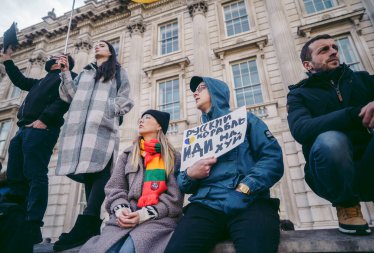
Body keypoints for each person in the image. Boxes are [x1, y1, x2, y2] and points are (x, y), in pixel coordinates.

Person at [165, 76, 284, 253]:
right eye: (194, 90)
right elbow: (182, 183)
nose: (195, 93)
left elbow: (272, 158)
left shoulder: (247, 120)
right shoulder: (194, 137)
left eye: (201, 88)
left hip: (250, 202)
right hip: (205, 206)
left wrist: (245, 187)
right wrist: (191, 173)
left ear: (216, 92)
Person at [287, 34, 374, 235]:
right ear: (308, 65)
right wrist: (354, 113)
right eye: (324, 50)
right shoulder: (298, 94)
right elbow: (301, 129)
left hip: (371, 166)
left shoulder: (362, 79)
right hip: (330, 173)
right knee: (331, 139)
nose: (333, 51)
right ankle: (347, 206)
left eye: (334, 47)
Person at [53, 40, 134, 251]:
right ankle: (90, 225)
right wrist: (65, 72)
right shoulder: (86, 72)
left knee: (102, 168)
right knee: (89, 173)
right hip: (81, 130)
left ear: (110, 51)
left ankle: (88, 220)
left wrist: (107, 112)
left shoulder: (118, 71)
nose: (97, 47)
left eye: (102, 45)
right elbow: (69, 95)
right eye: (96, 45)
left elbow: (125, 98)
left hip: (103, 127)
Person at [0, 49, 77, 244]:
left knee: (35, 174)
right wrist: (8, 60)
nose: (52, 57)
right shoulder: (41, 81)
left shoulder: (68, 77)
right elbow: (20, 81)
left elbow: (67, 99)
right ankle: (15, 213)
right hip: (22, 129)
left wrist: (45, 119)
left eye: (58, 56)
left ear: (63, 61)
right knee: (15, 175)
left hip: (41, 128)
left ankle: (33, 221)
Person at [79, 109, 183, 253]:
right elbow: (115, 188)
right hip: (125, 217)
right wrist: (121, 209)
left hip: (157, 221)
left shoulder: (173, 157)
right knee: (107, 249)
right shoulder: (127, 155)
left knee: (129, 249)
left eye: (147, 117)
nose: (141, 120)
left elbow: (174, 198)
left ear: (159, 126)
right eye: (140, 118)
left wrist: (143, 214)